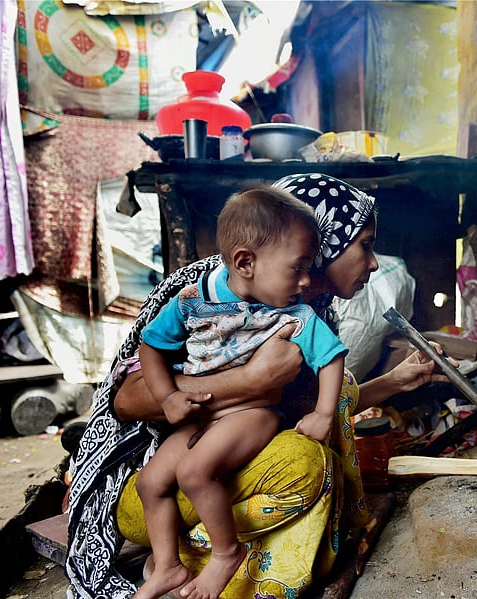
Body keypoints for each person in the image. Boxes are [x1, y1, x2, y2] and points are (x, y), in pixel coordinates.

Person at [65, 173, 458, 599]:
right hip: (147, 486)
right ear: (324, 242)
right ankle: (192, 557)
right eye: (364, 244)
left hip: (216, 456)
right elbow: (126, 401)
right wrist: (250, 379)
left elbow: (314, 398)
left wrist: (396, 382)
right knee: (305, 464)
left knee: (306, 453)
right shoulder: (202, 291)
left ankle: (207, 557)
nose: (375, 262)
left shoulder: (308, 309)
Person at [134, 186, 349, 599]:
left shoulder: (295, 314)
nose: (306, 281)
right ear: (245, 262)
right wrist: (167, 398)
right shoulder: (193, 299)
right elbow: (151, 345)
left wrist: (324, 412)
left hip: (254, 414)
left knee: (193, 473)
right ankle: (167, 567)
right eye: (297, 268)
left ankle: (225, 554)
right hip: (203, 417)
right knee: (150, 482)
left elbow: (331, 356)